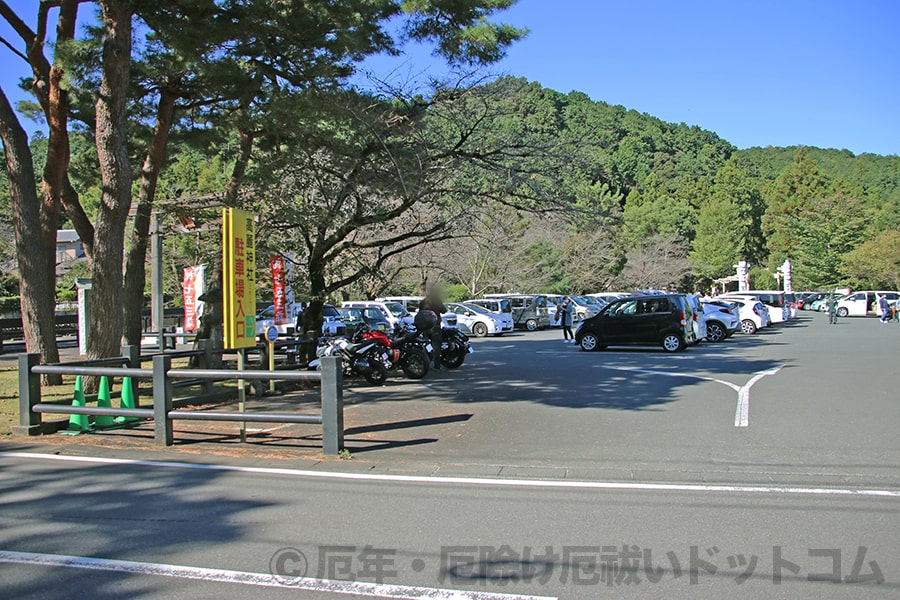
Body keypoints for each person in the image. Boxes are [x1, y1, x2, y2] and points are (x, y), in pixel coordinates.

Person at [417, 288, 447, 369]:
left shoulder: (423, 302)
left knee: (426, 345)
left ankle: (425, 362)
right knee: (436, 346)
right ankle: (436, 365)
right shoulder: (437, 301)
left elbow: (420, 312)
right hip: (435, 326)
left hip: (425, 327)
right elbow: (444, 310)